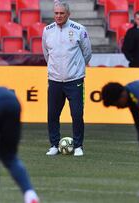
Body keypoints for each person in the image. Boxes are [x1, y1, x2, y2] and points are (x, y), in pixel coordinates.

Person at [42, 0, 92, 156]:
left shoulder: (79, 29)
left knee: (77, 114)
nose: (58, 16)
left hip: (74, 80)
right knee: (52, 114)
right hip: (55, 80)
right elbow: (46, 54)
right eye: (56, 13)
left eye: (61, 13)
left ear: (68, 14)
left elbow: (87, 53)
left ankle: (78, 146)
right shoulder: (47, 30)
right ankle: (54, 145)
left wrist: (76, 70)